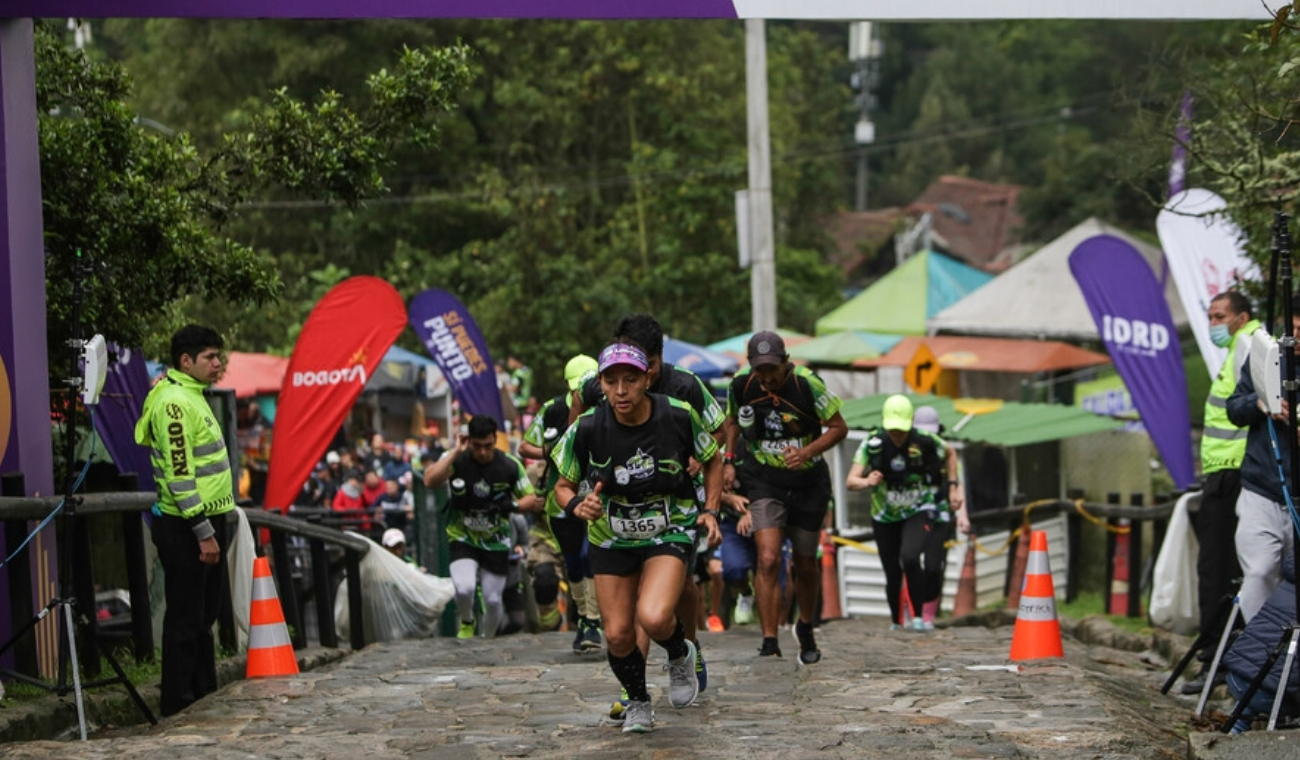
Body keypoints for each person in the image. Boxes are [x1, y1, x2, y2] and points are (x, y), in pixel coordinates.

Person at [552, 343, 723, 733]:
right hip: (611, 536)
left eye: (631, 379)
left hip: (668, 528)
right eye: (611, 381)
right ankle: (639, 701)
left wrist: (710, 509)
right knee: (617, 634)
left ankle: (680, 654)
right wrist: (578, 504)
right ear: (602, 385)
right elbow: (562, 486)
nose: (621, 390)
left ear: (648, 379)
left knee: (654, 615)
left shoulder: (678, 416)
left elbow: (713, 457)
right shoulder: (588, 427)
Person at [724, 330, 847, 662]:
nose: (767, 378)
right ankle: (769, 639)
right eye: (760, 371)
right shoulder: (741, 385)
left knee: (806, 561)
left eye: (772, 371)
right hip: (764, 480)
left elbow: (839, 427)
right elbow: (732, 421)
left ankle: (805, 626)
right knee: (768, 559)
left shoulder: (808, 384)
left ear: (786, 364)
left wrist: (806, 453)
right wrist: (730, 460)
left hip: (808, 482)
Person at [134, 325, 235, 717]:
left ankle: (202, 694)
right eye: (210, 357)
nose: (218, 364)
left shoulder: (189, 394)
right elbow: (179, 475)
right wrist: (204, 532)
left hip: (203, 522)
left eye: (218, 356)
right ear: (185, 361)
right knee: (185, 617)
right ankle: (179, 704)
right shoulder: (174, 402)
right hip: (189, 527)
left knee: (202, 618)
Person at [1185, 291, 1260, 693]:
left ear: (1241, 316)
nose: (1214, 322)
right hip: (1227, 471)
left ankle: (1215, 660)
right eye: (1210, 315)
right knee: (1229, 568)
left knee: (1218, 570)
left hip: (1234, 472)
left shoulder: (1247, 344)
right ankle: (1225, 659)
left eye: (1220, 316)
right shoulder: (1240, 346)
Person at [424, 415, 541, 639]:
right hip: (462, 534)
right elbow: (430, 481)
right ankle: (467, 620)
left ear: (495, 440)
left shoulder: (509, 465)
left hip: (496, 539)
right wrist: (455, 452)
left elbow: (531, 499)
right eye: (477, 447)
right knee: (465, 587)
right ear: (468, 442)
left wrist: (511, 505)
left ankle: (487, 639)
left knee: (493, 599)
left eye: (488, 446)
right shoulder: (456, 459)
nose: (483, 452)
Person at [845, 395, 955, 631]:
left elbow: (951, 453)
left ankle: (918, 617)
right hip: (884, 515)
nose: (897, 435)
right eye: (892, 430)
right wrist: (867, 481)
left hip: (918, 508)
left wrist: (953, 487)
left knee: (911, 557)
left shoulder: (925, 440)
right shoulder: (872, 443)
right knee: (892, 571)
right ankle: (897, 620)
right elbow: (851, 481)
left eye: (901, 430)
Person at [518, 353, 604, 653]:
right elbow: (524, 445)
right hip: (561, 498)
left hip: (597, 497)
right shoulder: (553, 409)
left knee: (591, 553)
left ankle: (592, 621)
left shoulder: (608, 409)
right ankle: (583, 618)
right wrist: (552, 450)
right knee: (573, 562)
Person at [1226, 294, 1300, 624]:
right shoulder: (1269, 356)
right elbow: (1234, 408)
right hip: (1262, 486)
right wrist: (1261, 404)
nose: (1297, 337)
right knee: (1258, 571)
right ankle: (1257, 650)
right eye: (1293, 328)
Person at [1221, 551, 1299, 733]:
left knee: (1262, 676)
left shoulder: (1292, 572)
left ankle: (1235, 731)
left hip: (1237, 677)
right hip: (1279, 696)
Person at [907, 405, 970, 630]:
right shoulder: (906, 452)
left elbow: (957, 486)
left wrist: (962, 515)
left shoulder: (947, 454)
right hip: (912, 514)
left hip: (940, 515)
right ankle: (912, 610)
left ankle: (928, 614)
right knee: (910, 560)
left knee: (934, 566)